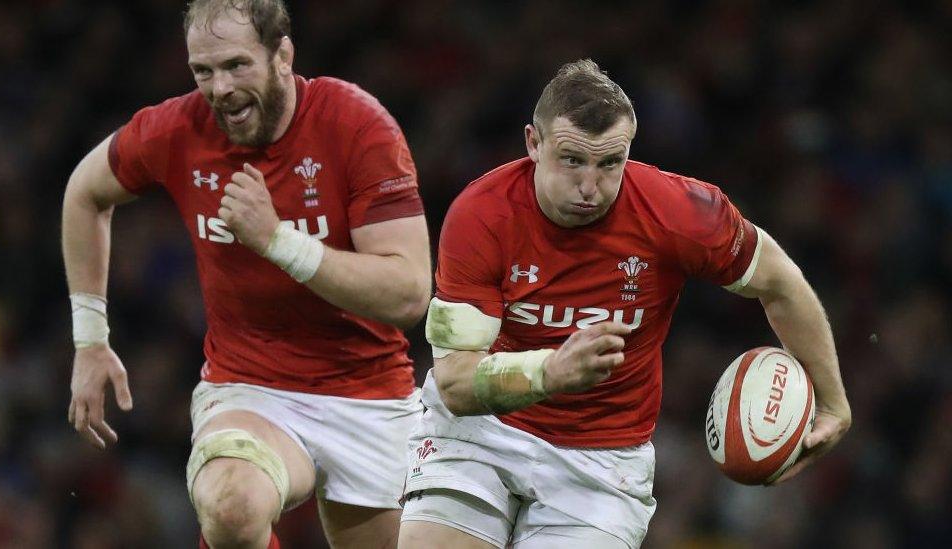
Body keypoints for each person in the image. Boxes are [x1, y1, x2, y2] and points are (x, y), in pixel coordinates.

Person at [398, 59, 851, 549]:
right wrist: (549, 372)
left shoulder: (681, 213)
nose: (590, 187)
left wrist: (833, 402)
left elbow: (780, 283)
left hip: (603, 460)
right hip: (479, 433)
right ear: (533, 143)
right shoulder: (480, 215)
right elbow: (456, 383)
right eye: (572, 160)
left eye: (609, 163)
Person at [61, 1, 431, 547]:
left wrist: (279, 241)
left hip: (370, 393)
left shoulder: (356, 125)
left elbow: (408, 293)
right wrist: (90, 339)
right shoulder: (178, 128)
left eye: (237, 65)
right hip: (250, 388)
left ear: (283, 55)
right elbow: (84, 193)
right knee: (232, 503)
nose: (220, 89)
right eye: (202, 71)